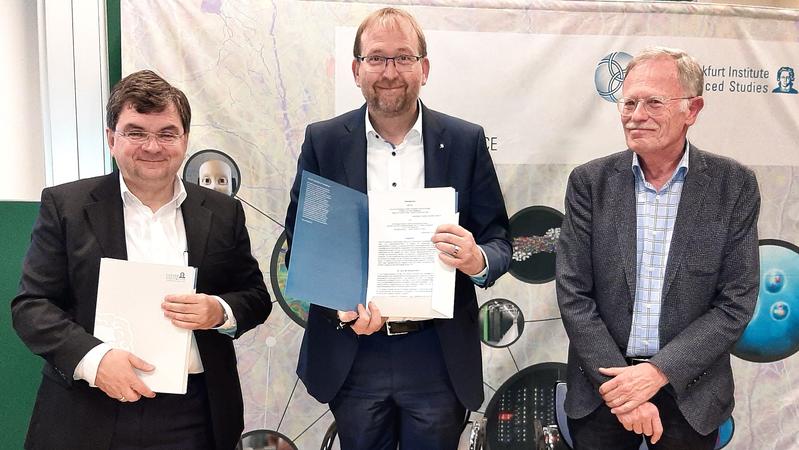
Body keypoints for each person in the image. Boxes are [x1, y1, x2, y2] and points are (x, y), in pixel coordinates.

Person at [284, 7, 511, 449]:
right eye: (377, 58)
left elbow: (499, 240)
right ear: (356, 69)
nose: (390, 72)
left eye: (403, 57)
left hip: (437, 354)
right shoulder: (324, 142)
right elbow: (302, 245)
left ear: (424, 68)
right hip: (354, 349)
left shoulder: (465, 141)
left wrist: (477, 257)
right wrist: (343, 302)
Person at [11, 70, 271, 450]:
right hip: (87, 410)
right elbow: (32, 306)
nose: (153, 146)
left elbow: (255, 296)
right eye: (136, 132)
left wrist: (219, 310)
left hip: (195, 416)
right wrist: (94, 359)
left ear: (184, 141)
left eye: (167, 133)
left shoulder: (222, 212)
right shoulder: (65, 206)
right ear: (111, 138)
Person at [556, 47, 760, 450]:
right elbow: (573, 293)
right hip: (603, 390)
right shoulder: (590, 183)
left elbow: (736, 302)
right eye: (629, 102)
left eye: (653, 102)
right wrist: (623, 389)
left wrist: (656, 373)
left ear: (693, 108)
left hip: (690, 392)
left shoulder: (732, 185)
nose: (636, 115)